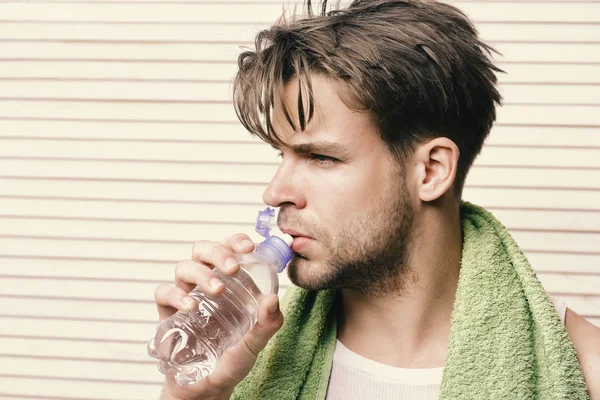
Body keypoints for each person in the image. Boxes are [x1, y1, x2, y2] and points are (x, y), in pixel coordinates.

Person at [153, 1, 600, 399]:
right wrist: (196, 398)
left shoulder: (587, 371)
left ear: (431, 171)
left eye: (321, 157)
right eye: (282, 153)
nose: (275, 192)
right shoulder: (252, 352)